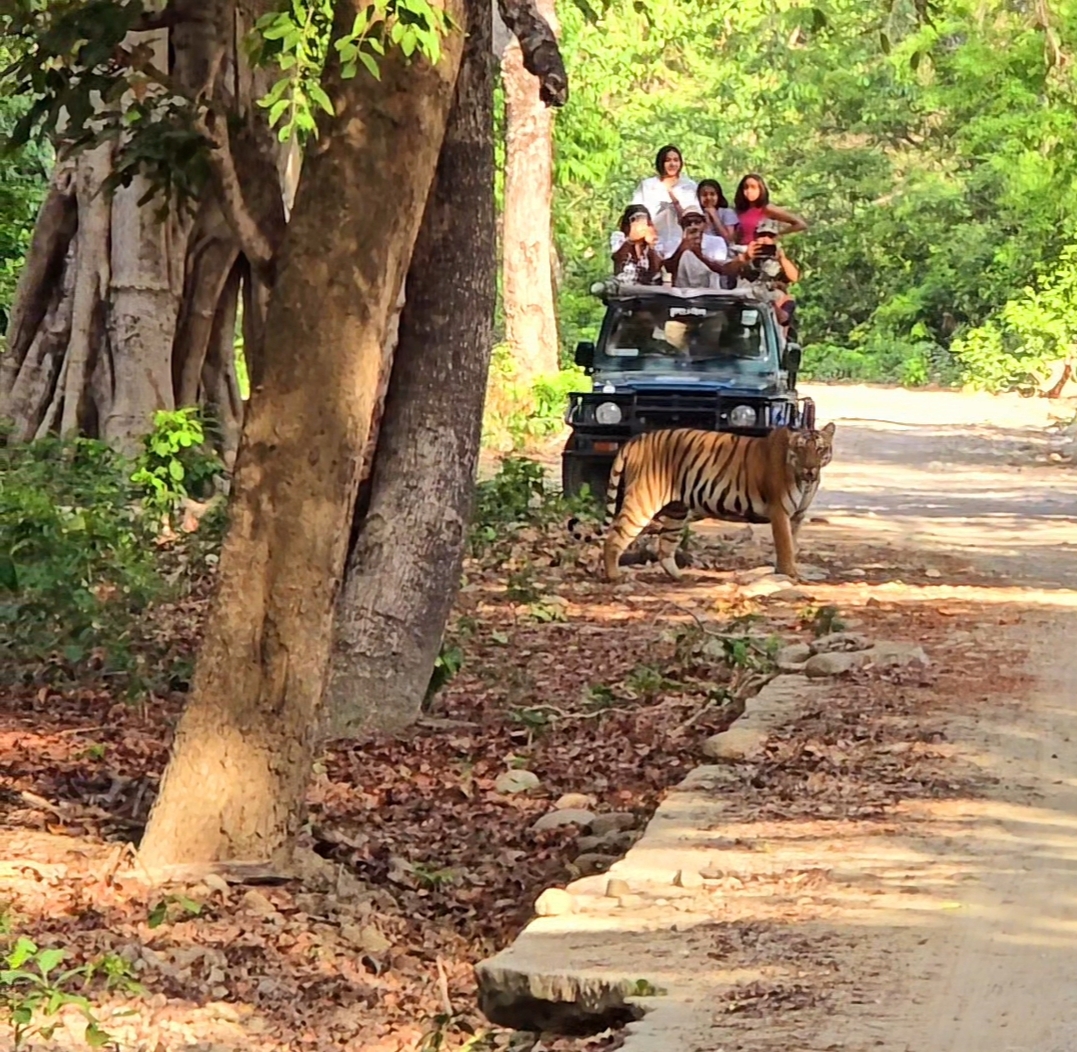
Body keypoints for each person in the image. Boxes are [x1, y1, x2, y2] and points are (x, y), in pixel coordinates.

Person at [630, 145, 699, 250]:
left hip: (681, 242)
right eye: (668, 160)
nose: (672, 164)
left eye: (676, 160)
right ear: (661, 162)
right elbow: (636, 212)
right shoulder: (647, 185)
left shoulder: (690, 186)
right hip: (653, 242)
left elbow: (696, 215)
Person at [739, 217, 801, 336]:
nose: (765, 239)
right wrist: (748, 257)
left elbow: (794, 277)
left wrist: (781, 258)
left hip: (774, 303)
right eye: (762, 235)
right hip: (750, 300)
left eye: (770, 236)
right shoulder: (748, 255)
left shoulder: (779, 258)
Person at [661, 208, 746, 290]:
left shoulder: (717, 242)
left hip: (710, 292)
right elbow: (668, 269)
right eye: (688, 223)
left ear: (705, 224)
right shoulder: (673, 243)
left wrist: (699, 255)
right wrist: (681, 248)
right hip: (682, 293)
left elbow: (722, 269)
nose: (693, 225)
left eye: (697, 222)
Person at [732, 173, 808, 245]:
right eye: (746, 187)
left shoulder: (767, 209)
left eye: (753, 187)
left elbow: (800, 224)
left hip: (759, 252)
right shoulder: (738, 211)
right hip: (739, 253)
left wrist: (777, 235)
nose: (749, 191)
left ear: (761, 189)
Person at [610, 204, 664, 285]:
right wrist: (631, 240)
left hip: (647, 288)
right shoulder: (619, 237)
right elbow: (618, 258)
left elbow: (656, 268)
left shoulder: (653, 239)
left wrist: (651, 246)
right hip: (624, 285)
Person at [697, 179, 738, 243]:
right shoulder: (696, 213)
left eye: (712, 194)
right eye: (704, 195)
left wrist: (714, 216)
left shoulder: (727, 212)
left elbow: (729, 240)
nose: (708, 198)